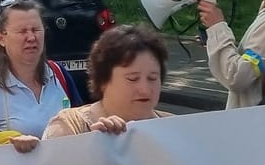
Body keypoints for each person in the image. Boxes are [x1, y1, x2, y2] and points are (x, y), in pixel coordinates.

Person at [0, 0, 79, 135]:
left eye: (36, 29)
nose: (31, 37)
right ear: (1, 38)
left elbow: (81, 125)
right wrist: (7, 141)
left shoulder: (58, 74)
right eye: (22, 31)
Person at [43, 26, 173, 137]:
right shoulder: (69, 126)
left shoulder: (176, 127)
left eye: (152, 78)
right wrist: (89, 146)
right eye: (132, 79)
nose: (145, 89)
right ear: (103, 81)